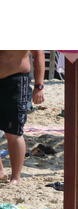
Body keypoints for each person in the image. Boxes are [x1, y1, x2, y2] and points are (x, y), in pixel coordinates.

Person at [0, 50, 45, 184]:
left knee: (13, 131)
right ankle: (1, 171)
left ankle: (16, 177)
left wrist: (39, 86)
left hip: (15, 80)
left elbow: (39, 54)